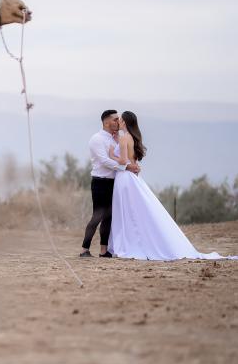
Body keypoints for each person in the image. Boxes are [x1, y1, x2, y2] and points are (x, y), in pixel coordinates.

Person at [106, 111, 232, 260]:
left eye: (120, 120)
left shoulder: (123, 138)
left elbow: (122, 161)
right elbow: (132, 161)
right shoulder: (132, 138)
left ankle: (128, 243)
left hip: (124, 178)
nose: (118, 122)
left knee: (125, 210)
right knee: (135, 209)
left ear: (125, 122)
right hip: (132, 177)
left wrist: (111, 155)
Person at [80, 110, 140, 258]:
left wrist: (132, 165)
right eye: (115, 119)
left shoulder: (117, 138)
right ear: (106, 122)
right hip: (100, 182)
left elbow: (123, 156)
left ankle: (103, 251)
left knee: (109, 216)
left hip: (115, 182)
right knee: (98, 215)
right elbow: (104, 161)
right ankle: (84, 249)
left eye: (119, 119)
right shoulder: (97, 139)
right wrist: (126, 167)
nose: (118, 121)